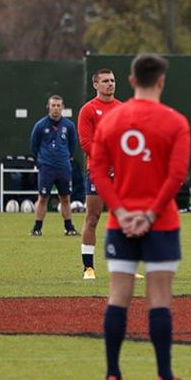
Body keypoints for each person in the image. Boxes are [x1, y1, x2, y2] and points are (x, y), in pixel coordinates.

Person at [90, 53, 191, 380]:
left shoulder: (110, 121)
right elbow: (177, 175)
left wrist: (120, 212)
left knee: (118, 297)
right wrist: (149, 213)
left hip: (120, 225)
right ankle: (164, 378)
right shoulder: (175, 121)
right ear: (161, 81)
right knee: (160, 298)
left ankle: (112, 377)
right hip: (161, 222)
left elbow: (97, 172)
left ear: (132, 81)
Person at [77, 69, 124, 280]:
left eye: (113, 80)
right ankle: (88, 267)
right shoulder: (88, 110)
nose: (110, 84)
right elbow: (86, 142)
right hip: (97, 171)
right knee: (93, 217)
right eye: (105, 81)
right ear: (95, 84)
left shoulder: (123, 109)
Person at [29, 95, 79, 238]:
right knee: (43, 197)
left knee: (65, 198)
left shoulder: (68, 125)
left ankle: (69, 227)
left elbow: (73, 145)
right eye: (53, 105)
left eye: (58, 105)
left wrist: (65, 158)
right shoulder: (40, 125)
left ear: (62, 107)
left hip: (63, 167)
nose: (56, 108)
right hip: (46, 167)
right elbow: (33, 146)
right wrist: (41, 161)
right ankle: (37, 228)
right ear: (48, 107)